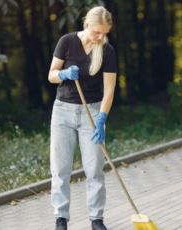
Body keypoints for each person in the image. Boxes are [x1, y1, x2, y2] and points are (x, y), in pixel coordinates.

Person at [47, 6, 116, 230]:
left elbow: (109, 90)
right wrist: (63, 74)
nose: (101, 36)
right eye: (98, 32)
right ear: (87, 24)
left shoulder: (107, 51)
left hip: (92, 112)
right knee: (60, 168)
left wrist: (102, 119)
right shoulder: (66, 42)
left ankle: (96, 219)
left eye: (105, 33)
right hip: (63, 112)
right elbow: (51, 75)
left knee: (94, 169)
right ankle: (61, 218)